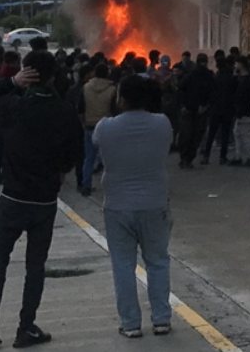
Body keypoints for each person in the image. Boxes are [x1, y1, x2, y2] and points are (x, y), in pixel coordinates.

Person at [0, 51, 83, 350]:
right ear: (53, 76)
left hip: (13, 198)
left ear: (27, 74)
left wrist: (10, 81)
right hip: (44, 202)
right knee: (35, 267)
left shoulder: (14, 106)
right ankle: (26, 327)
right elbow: (76, 154)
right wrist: (59, 170)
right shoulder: (63, 110)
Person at [92, 74, 173, 338]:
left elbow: (95, 143)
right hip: (155, 203)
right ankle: (161, 318)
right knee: (158, 261)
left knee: (123, 265)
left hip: (117, 205)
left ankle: (130, 323)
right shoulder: (162, 124)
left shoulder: (105, 127)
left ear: (121, 98)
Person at [80, 64, 117, 196]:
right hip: (106, 126)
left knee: (88, 158)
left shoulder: (85, 87)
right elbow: (115, 110)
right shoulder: (112, 89)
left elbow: (81, 108)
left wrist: (83, 123)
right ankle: (111, 187)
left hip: (89, 126)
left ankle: (86, 186)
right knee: (109, 159)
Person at [176, 53, 214, 169]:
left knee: (195, 135)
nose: (203, 64)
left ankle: (188, 159)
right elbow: (180, 88)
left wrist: (206, 105)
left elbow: (212, 93)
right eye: (201, 62)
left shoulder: (208, 76)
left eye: (204, 62)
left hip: (199, 110)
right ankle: (185, 158)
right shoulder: (192, 75)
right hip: (190, 109)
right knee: (188, 135)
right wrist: (183, 105)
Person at [228, 56, 250, 167]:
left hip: (244, 112)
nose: (235, 66)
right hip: (243, 111)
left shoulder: (246, 81)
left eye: (236, 64)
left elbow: (243, 97)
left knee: (244, 135)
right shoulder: (245, 79)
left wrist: (239, 111)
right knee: (238, 133)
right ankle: (239, 156)